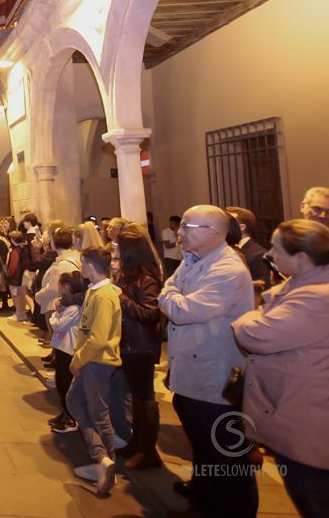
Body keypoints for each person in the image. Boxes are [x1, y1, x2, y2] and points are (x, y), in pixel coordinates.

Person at [157, 206, 256, 518]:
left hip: (215, 378)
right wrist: (172, 295)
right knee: (201, 443)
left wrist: (170, 296)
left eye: (187, 226)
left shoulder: (228, 269)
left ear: (214, 232)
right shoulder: (192, 261)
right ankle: (203, 498)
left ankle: (230, 510)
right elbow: (170, 291)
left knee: (226, 455)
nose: (179, 232)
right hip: (191, 371)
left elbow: (184, 311)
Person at [231, 219, 329, 518]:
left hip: (308, 418)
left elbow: (256, 334)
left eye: (276, 248)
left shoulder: (317, 297)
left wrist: (247, 316)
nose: (269, 254)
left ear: (301, 258)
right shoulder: (302, 286)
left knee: (313, 498)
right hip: (297, 409)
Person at [65, 245, 122, 495]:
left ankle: (106, 463)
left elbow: (97, 338)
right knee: (75, 401)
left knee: (98, 413)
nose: (80, 268)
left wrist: (77, 360)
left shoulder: (104, 295)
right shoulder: (95, 291)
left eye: (82, 263)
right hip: (90, 360)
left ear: (89, 265)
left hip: (97, 362)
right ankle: (101, 459)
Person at [112, 230, 164, 469]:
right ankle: (136, 442)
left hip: (140, 345)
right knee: (135, 396)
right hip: (128, 343)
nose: (116, 253)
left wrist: (120, 297)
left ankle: (148, 451)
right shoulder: (131, 276)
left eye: (119, 249)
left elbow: (150, 313)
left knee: (145, 398)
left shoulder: (147, 280)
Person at [48, 271, 86, 434]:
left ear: (67, 287)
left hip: (68, 350)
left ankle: (70, 417)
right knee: (60, 382)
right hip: (62, 348)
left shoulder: (73, 308)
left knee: (65, 384)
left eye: (59, 284)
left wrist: (54, 315)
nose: (57, 287)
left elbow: (57, 325)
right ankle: (64, 413)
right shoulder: (67, 305)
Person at [225, 207, 274, 291]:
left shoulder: (259, 255)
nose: (221, 226)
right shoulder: (224, 251)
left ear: (241, 227)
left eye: (227, 223)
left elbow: (262, 290)